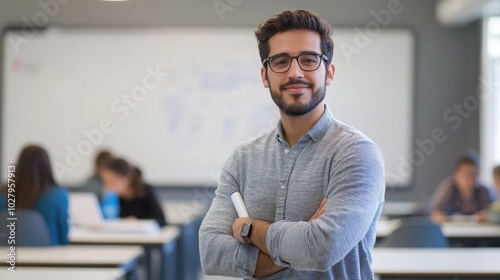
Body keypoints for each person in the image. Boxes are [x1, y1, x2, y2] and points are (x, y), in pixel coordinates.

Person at [199, 10, 385, 279]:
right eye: (281, 61)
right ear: (265, 76)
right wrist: (303, 243)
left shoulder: (356, 153)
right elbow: (211, 253)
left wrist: (250, 229)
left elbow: (323, 249)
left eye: (309, 60)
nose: (295, 72)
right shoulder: (244, 158)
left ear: (329, 73)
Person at [0, 145, 69, 245]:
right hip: (50, 257)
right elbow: (63, 236)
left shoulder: (3, 194)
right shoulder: (59, 196)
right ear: (46, 166)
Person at [100, 158, 167, 227]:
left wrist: (138, 222)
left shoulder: (146, 190)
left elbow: (161, 220)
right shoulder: (114, 197)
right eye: (106, 182)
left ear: (127, 178)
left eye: (113, 181)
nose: (108, 186)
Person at [430, 155, 492, 223]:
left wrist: (486, 215)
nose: (470, 179)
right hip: (451, 230)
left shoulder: (483, 191)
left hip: (477, 231)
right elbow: (435, 212)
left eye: (474, 174)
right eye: (466, 174)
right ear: (456, 175)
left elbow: (491, 213)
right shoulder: (448, 187)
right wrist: (441, 217)